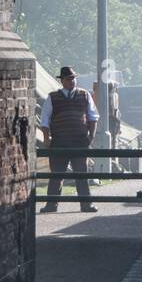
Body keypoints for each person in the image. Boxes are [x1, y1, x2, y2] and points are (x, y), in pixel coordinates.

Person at [40, 66, 99, 213]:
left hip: (79, 141)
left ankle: (86, 204)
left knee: (81, 173)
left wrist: (91, 136)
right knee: (57, 174)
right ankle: (51, 204)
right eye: (68, 78)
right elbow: (45, 120)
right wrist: (47, 139)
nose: (72, 81)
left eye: (73, 78)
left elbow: (93, 117)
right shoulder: (52, 97)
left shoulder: (85, 95)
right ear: (62, 81)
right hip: (59, 141)